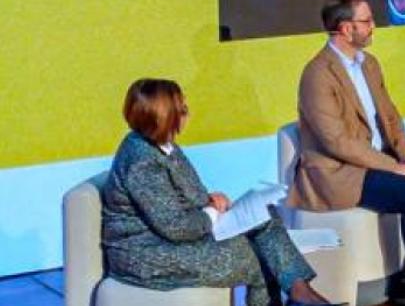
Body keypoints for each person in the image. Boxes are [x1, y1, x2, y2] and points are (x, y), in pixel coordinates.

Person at [289, 0, 405, 305]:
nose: (374, 26)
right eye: (367, 21)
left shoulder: (369, 64)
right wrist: (394, 168)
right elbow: (338, 142)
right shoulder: (317, 74)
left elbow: (390, 116)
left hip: (384, 161)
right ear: (346, 29)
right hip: (343, 171)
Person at [101, 79, 339, 306]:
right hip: (146, 253)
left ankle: (303, 294)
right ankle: (305, 300)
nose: (188, 114)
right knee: (250, 256)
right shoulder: (142, 162)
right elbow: (176, 228)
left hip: (174, 236)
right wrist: (211, 212)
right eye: (182, 109)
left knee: (266, 218)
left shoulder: (163, 144)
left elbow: (186, 194)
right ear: (165, 117)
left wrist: (209, 200)